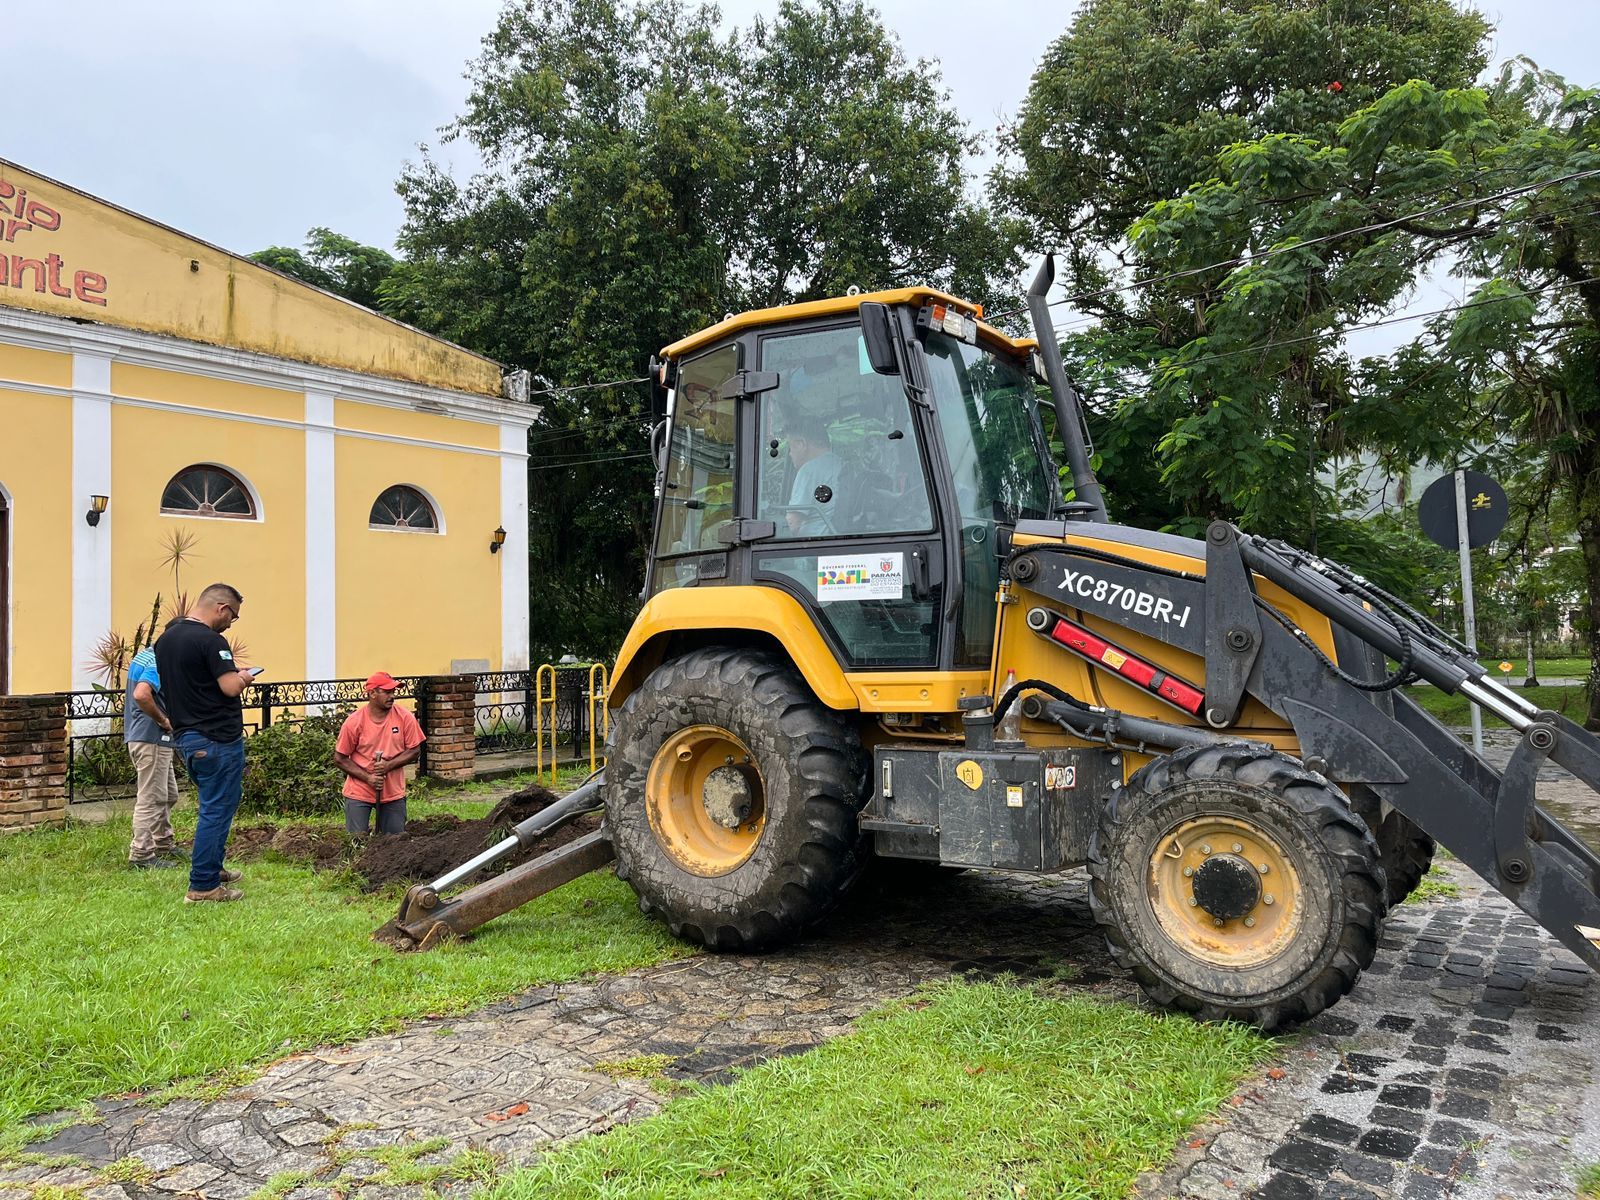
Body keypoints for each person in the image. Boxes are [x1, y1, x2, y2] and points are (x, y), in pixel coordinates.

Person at [154, 583, 258, 903]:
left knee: (213, 806)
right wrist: (244, 677)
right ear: (221, 608)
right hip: (217, 738)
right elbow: (229, 687)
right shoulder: (212, 641)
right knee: (217, 810)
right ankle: (203, 885)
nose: (230, 624)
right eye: (232, 616)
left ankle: (212, 868)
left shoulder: (166, 640)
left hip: (188, 737)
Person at [335, 672, 426, 837]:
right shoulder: (354, 722)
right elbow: (340, 758)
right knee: (356, 841)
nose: (392, 696)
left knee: (395, 842)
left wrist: (387, 766)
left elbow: (414, 750)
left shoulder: (405, 718)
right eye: (387, 692)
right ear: (372, 693)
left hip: (393, 792)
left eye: (393, 692)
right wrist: (368, 778)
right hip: (359, 792)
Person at [123, 626, 184, 869]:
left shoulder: (145, 655)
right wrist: (163, 720)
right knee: (150, 798)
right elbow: (141, 695)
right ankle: (141, 854)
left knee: (168, 795)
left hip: (147, 738)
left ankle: (163, 842)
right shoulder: (159, 662)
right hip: (152, 738)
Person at [782, 414, 843, 536]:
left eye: (790, 447)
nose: (790, 454)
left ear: (801, 444)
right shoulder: (839, 464)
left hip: (811, 544)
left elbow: (792, 524)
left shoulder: (809, 471)